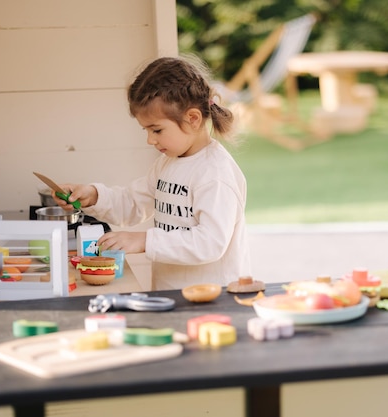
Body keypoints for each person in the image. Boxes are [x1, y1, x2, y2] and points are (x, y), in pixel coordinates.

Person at [54, 56, 251, 290]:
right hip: (172, 293)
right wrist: (94, 196)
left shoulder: (216, 174)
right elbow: (134, 203)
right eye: (146, 130)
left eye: (156, 130)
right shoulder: (167, 163)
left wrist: (144, 240)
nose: (150, 139)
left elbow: (210, 243)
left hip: (213, 299)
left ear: (193, 118)